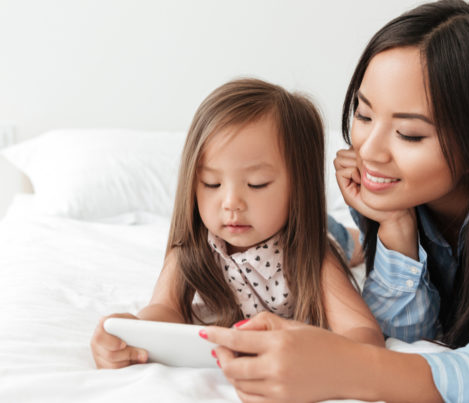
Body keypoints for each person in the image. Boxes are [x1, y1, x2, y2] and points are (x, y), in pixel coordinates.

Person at [203, 1, 469, 402]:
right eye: (363, 114)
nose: (370, 150)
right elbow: (406, 335)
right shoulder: (390, 184)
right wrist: (396, 230)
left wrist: (348, 367)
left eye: (409, 134)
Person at [90, 78, 384, 369]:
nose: (231, 202)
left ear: (300, 188)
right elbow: (166, 309)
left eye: (256, 184)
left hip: (312, 232)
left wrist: (316, 352)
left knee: (352, 243)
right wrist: (133, 332)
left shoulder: (314, 258)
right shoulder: (191, 251)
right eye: (212, 183)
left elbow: (363, 333)